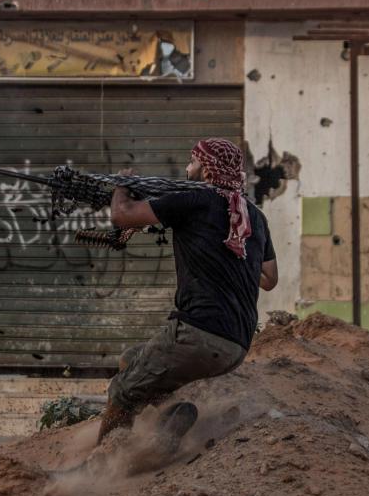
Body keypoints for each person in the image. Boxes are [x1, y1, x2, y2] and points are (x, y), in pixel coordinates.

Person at [97, 138, 278, 444]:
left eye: (192, 162)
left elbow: (122, 216)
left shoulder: (194, 199)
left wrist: (122, 184)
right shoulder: (255, 217)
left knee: (122, 389)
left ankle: (101, 464)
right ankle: (162, 427)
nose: (186, 168)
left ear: (207, 172)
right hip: (236, 346)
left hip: (196, 333)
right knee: (132, 360)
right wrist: (232, 259)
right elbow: (269, 278)